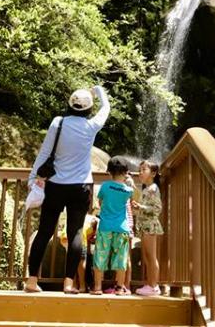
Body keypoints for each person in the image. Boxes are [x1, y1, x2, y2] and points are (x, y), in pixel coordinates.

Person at [24, 86, 110, 294]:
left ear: (70, 105)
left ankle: (32, 281)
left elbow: (45, 151)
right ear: (89, 108)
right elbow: (106, 108)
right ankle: (69, 284)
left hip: (55, 185)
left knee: (44, 231)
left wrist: (32, 178)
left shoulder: (58, 123)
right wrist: (98, 90)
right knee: (76, 233)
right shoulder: (91, 126)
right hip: (80, 187)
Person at [91, 157, 133, 295]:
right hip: (122, 228)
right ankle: (120, 288)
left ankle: (97, 287)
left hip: (105, 227)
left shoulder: (105, 186)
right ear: (126, 172)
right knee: (121, 258)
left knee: (100, 256)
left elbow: (101, 200)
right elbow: (129, 199)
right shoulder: (128, 191)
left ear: (109, 171)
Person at [133, 160, 163, 296]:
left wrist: (141, 207)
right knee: (146, 256)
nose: (140, 172)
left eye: (143, 170)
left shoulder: (153, 188)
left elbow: (157, 208)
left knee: (151, 256)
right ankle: (150, 284)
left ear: (153, 173)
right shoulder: (146, 189)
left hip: (150, 225)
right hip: (145, 226)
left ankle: (154, 286)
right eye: (139, 170)